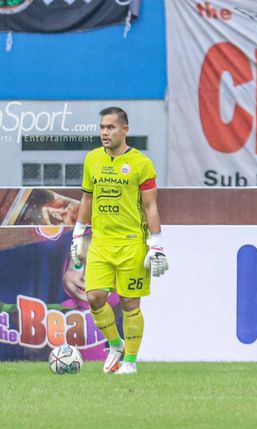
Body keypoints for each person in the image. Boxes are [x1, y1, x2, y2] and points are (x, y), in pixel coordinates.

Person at [70, 107, 168, 375]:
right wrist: (78, 234)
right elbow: (87, 198)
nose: (104, 132)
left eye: (111, 127)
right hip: (100, 242)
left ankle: (131, 362)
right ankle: (115, 344)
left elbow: (150, 206)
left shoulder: (141, 163)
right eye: (102, 127)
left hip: (131, 243)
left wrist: (156, 244)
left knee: (129, 303)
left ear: (125, 129)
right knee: (94, 297)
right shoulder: (92, 160)